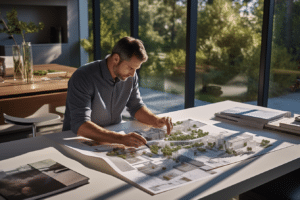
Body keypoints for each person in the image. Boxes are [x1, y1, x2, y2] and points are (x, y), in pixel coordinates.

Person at [63, 36, 173, 149]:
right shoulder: (83, 76)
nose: (133, 74)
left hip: (113, 139)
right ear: (116, 58)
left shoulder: (130, 76)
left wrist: (156, 120)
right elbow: (80, 125)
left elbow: (136, 107)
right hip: (77, 141)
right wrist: (121, 139)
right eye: (130, 68)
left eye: (136, 69)